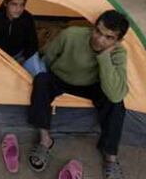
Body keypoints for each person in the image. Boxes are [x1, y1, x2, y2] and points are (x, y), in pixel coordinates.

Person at [28, 10, 130, 179]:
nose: (99, 39)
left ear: (118, 41)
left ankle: (110, 156)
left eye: (109, 37)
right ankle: (45, 140)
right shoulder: (71, 35)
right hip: (61, 78)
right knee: (41, 81)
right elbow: (48, 57)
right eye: (98, 31)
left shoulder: (119, 53)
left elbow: (115, 94)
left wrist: (104, 56)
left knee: (116, 104)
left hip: (92, 85)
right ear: (93, 28)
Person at [0, 0, 46, 76]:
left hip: (21, 56)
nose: (18, 9)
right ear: (5, 3)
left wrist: (23, 58)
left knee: (39, 74)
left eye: (22, 5)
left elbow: (33, 44)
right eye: (14, 4)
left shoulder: (27, 18)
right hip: (1, 58)